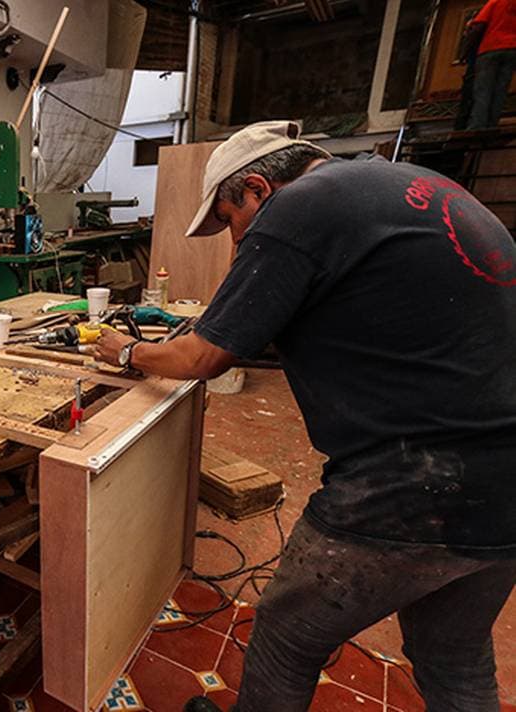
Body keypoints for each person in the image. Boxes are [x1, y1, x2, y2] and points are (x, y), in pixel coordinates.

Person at [93, 120, 516, 711]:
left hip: (415, 481)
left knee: (286, 639)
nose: (237, 240)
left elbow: (204, 358)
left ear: (258, 189)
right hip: (504, 485)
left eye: (230, 220)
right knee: (454, 658)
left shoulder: (298, 208)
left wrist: (128, 351)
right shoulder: (402, 186)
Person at [467, 0, 516, 130]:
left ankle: (478, 126)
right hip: (512, 49)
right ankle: (492, 125)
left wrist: (467, 50)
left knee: (483, 89)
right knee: (500, 90)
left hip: (490, 48)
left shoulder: (496, 2)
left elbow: (479, 26)